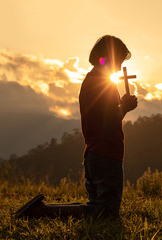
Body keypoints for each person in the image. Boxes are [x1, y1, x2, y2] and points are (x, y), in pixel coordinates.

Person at [14, 35, 138, 219]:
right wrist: (125, 107)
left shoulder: (92, 80)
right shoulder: (101, 83)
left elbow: (104, 117)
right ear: (107, 58)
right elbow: (109, 122)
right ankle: (41, 212)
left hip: (95, 154)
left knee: (96, 206)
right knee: (105, 213)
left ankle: (42, 209)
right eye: (118, 61)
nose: (119, 68)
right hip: (106, 154)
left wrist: (121, 106)